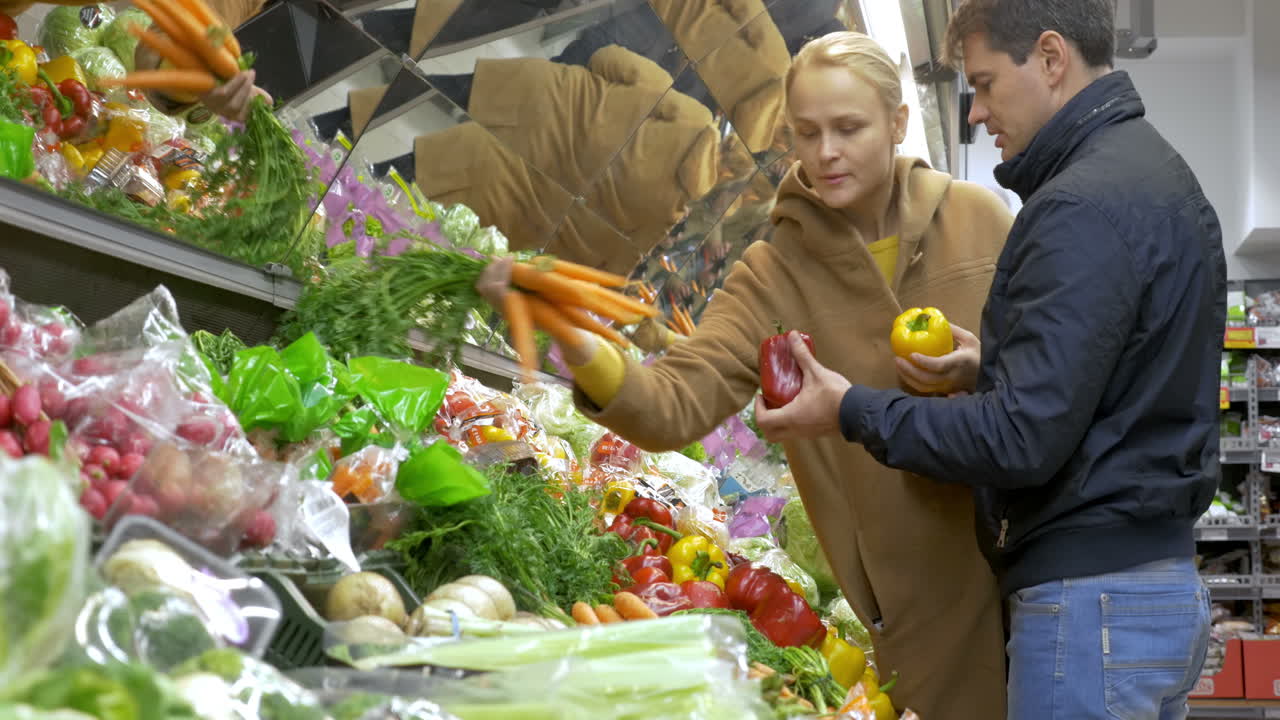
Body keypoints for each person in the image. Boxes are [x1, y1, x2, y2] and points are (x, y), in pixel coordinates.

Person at [478, 31, 1012, 720]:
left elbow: (1050, 384)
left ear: (898, 121)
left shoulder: (980, 222)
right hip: (912, 611)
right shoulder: (776, 271)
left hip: (1025, 574)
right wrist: (573, 335)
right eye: (807, 132)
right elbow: (671, 401)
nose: (826, 153)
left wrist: (980, 367)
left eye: (849, 128)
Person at [753, 2, 1226, 718]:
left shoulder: (1077, 208)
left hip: (1088, 607)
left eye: (985, 83)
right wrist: (992, 370)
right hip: (1150, 590)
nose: (976, 112)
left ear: (1050, 58)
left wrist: (852, 408)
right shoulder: (1157, 174)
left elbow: (1019, 441)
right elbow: (1127, 379)